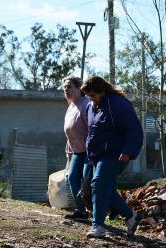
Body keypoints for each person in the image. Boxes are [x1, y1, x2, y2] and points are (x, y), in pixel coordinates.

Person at [81, 76, 144, 238]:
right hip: (97, 155)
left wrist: (128, 151)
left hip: (116, 154)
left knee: (99, 185)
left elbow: (134, 129)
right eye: (88, 96)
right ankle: (130, 216)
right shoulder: (91, 107)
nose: (91, 99)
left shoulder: (118, 104)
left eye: (93, 95)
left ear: (102, 91)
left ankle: (98, 226)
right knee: (105, 190)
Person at [61, 76, 91, 220]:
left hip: (90, 152)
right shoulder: (70, 107)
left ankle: (108, 209)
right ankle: (81, 211)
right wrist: (68, 156)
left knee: (88, 182)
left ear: (79, 88)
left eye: (69, 86)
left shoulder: (86, 105)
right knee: (72, 178)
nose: (65, 89)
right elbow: (70, 135)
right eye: (64, 87)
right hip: (77, 152)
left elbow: (93, 130)